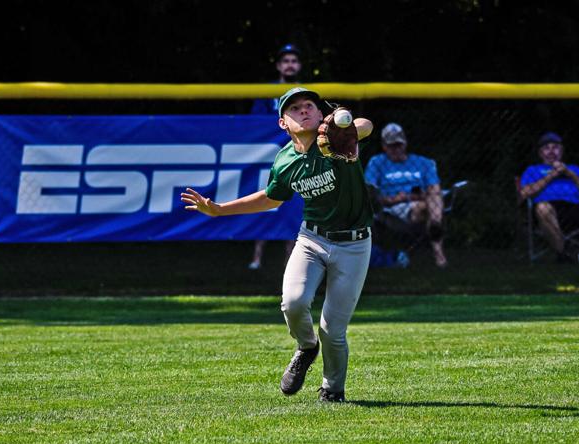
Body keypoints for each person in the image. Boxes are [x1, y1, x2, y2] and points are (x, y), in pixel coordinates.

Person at [181, 87, 375, 403]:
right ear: (283, 123)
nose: (303, 110)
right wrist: (218, 209)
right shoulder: (285, 160)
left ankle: (332, 390)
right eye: (294, 108)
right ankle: (306, 346)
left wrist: (345, 126)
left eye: (309, 105)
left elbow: (366, 125)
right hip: (311, 239)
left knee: (333, 330)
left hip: (354, 245)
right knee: (293, 302)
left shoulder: (339, 139)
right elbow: (271, 198)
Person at [248, 44, 303, 270]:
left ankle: (290, 261)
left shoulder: (304, 93)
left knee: (294, 207)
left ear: (299, 66)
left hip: (297, 156)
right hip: (269, 157)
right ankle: (257, 258)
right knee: (264, 202)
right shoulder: (268, 90)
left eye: (294, 61)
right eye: (285, 61)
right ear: (279, 65)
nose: (290, 65)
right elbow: (254, 123)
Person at [519, 132, 579, 263]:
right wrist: (552, 175)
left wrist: (569, 174)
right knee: (542, 208)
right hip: (548, 212)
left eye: (555, 147)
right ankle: (564, 254)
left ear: (562, 151)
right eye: (547, 148)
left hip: (574, 209)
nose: (551, 151)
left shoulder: (575, 169)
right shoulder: (533, 170)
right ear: (540, 153)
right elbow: (524, 194)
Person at [364, 123, 447, 268]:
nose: (396, 149)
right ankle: (438, 243)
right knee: (429, 205)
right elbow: (370, 191)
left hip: (423, 202)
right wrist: (393, 199)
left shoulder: (423, 163)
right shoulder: (377, 163)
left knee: (432, 199)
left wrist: (415, 196)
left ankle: (435, 225)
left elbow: (435, 188)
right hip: (392, 208)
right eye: (391, 145)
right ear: (384, 145)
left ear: (405, 143)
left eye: (398, 144)